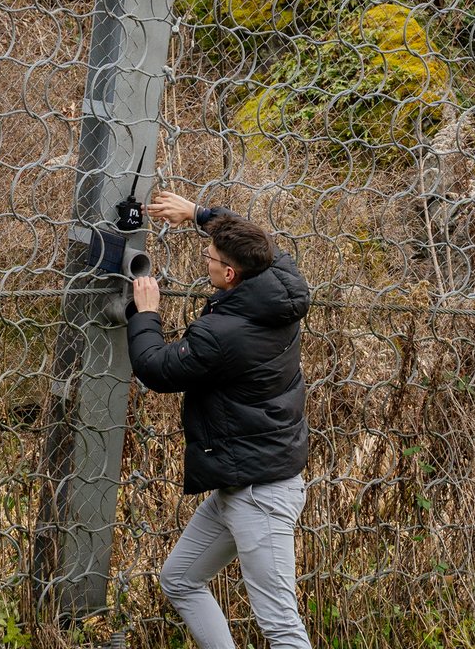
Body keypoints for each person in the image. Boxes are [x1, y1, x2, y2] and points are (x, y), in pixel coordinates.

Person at [128, 188, 313, 649]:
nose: (205, 260)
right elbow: (255, 238)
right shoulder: (280, 278)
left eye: (209, 256)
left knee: (281, 626)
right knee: (180, 579)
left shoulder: (224, 333)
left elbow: (157, 368)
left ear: (229, 274)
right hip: (242, 478)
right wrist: (196, 213)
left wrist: (146, 314)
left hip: (260, 495)